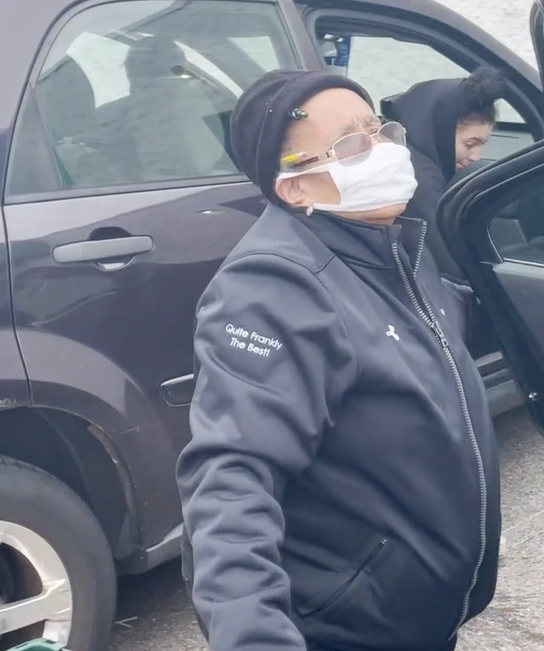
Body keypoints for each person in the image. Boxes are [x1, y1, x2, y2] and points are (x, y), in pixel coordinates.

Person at [176, 69, 501, 651]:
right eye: (353, 144)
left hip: (419, 621)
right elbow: (231, 482)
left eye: (381, 131)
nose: (383, 151)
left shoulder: (393, 247)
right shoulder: (273, 286)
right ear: (295, 187)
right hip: (346, 630)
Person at [382, 67, 506, 280]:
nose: (476, 156)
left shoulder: (409, 159)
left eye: (481, 145)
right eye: (470, 143)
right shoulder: (417, 178)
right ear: (441, 132)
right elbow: (451, 270)